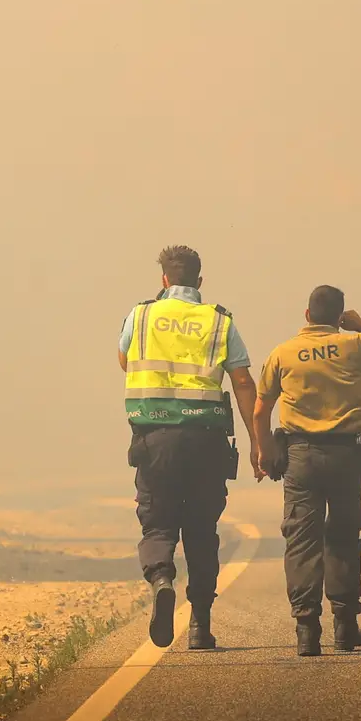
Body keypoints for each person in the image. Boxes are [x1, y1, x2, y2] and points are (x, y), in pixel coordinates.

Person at [118, 245, 263, 650]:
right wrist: (257, 444)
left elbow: (124, 360)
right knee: (201, 530)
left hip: (155, 439)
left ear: (163, 280)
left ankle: (162, 579)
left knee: (158, 523)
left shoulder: (141, 315)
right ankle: (199, 625)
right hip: (206, 441)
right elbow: (244, 383)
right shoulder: (218, 321)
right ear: (200, 282)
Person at [255, 285, 361, 656]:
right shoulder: (355, 345)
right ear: (339, 317)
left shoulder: (283, 353)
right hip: (344, 457)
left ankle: (307, 629)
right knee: (342, 536)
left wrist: (264, 453)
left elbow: (261, 411)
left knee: (301, 540)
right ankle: (345, 625)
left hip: (300, 458)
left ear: (307, 315)